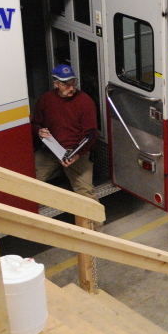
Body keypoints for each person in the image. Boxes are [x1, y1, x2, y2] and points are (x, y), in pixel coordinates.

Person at [32, 64, 101, 226]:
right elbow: (35, 123)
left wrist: (77, 154)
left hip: (77, 152)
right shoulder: (46, 100)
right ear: (56, 83)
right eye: (66, 84)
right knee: (28, 181)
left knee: (87, 195)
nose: (71, 88)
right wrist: (38, 131)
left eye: (73, 83)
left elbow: (91, 134)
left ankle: (97, 237)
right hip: (51, 150)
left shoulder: (85, 102)